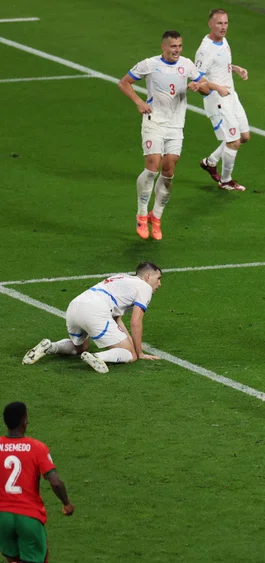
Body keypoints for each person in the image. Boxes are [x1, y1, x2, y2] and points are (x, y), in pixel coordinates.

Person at [118, 30, 231, 240]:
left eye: (179, 46)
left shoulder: (187, 65)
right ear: (163, 47)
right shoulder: (149, 64)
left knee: (169, 170)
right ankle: (141, 214)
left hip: (176, 126)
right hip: (154, 121)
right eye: (173, 46)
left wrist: (198, 86)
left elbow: (206, 88)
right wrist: (139, 102)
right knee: (152, 166)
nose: (177, 50)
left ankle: (156, 217)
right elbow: (124, 82)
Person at [21, 262, 163, 373]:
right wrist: (139, 352)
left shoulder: (121, 278)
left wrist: (131, 342)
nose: (159, 284)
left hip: (75, 306)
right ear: (148, 277)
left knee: (80, 347)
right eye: (158, 279)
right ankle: (97, 357)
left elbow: (116, 320)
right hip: (95, 310)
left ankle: (50, 346)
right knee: (130, 354)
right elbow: (136, 321)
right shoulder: (145, 287)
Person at [0, 402, 74, 563]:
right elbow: (55, 482)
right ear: (24, 421)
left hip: (2, 518)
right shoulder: (36, 448)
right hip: (28, 517)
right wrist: (66, 503)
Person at [196, 8, 250, 192]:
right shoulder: (205, 50)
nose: (223, 27)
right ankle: (226, 181)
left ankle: (210, 162)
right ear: (210, 24)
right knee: (233, 141)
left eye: (226, 23)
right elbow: (197, 78)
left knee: (243, 137)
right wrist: (217, 87)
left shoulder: (223, 41)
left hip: (231, 96)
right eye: (219, 23)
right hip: (217, 100)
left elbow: (220, 65)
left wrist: (235, 68)